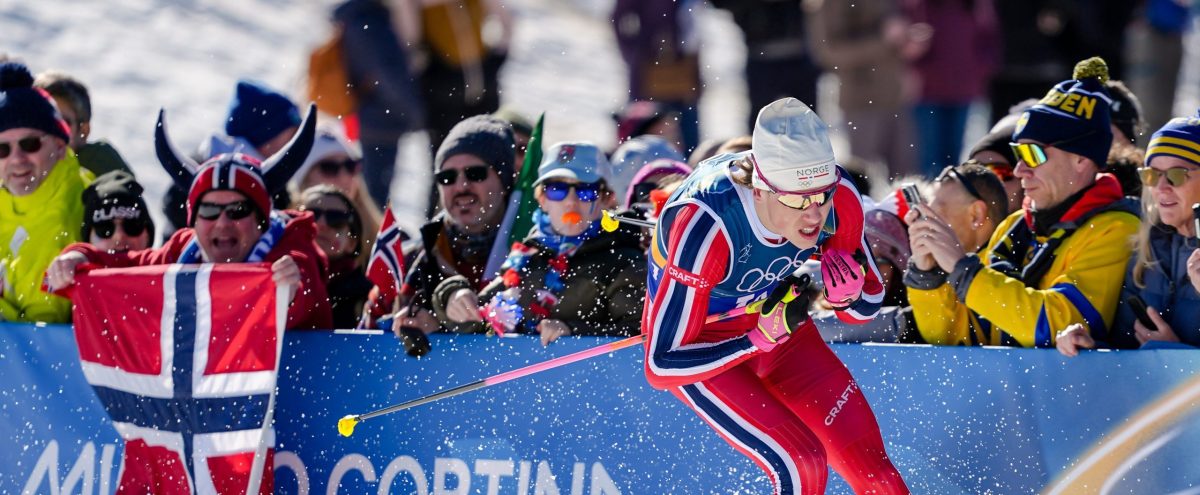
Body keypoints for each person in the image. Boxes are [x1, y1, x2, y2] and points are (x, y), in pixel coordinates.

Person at [643, 98, 908, 495]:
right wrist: (754, 341)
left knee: (876, 474)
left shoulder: (839, 196)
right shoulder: (707, 224)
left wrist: (846, 298)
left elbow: (866, 306)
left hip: (780, 332)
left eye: (821, 196)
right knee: (801, 463)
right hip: (706, 345)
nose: (814, 215)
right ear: (760, 191)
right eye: (798, 200)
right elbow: (660, 366)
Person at [905, 58, 1139, 348]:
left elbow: (1055, 325)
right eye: (1019, 154)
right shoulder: (1015, 226)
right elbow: (957, 340)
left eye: (1033, 155)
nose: (1019, 170)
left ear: (1081, 159)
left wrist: (963, 270)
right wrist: (927, 275)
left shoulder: (1117, 229)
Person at [49, 107, 332, 330]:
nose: (222, 223)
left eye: (237, 211)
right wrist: (79, 258)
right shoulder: (184, 251)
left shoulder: (291, 248)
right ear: (193, 221)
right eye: (209, 211)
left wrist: (289, 292)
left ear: (261, 220)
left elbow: (304, 293)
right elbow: (126, 268)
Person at [468, 142, 646, 345]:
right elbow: (473, 321)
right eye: (557, 189)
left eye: (585, 190)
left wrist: (573, 333)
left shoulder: (624, 261)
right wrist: (451, 294)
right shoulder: (527, 256)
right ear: (542, 199)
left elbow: (641, 337)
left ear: (606, 199)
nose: (570, 201)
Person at [1059, 113, 1200, 355]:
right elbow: (1125, 348)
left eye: (1176, 175)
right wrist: (1089, 347)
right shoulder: (1146, 248)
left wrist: (1174, 354)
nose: (1161, 187)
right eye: (1152, 175)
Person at [385, 115, 514, 336]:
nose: (461, 186)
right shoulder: (410, 259)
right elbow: (367, 330)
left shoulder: (535, 251)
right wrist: (406, 323)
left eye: (475, 174)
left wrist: (441, 326)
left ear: (504, 181)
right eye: (447, 177)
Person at [0, 62, 93, 323]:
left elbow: (46, 319)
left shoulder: (89, 203)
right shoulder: (5, 201)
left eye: (30, 144)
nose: (17, 159)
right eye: (2, 149)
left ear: (60, 146)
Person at [334, 0, 426, 208]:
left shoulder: (358, 17)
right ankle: (367, 228)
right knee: (374, 196)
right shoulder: (370, 23)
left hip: (371, 116)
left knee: (372, 190)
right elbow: (388, 76)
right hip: (381, 120)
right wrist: (414, 112)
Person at [289, 127, 381, 267]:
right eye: (329, 168)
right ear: (304, 178)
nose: (343, 177)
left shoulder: (385, 239)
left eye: (350, 166)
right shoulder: (280, 233)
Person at [33, 71, 133, 177]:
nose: (44, 133)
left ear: (83, 132)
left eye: (59, 125)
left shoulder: (101, 178)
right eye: (33, 121)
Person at [299, 185, 372, 329]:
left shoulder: (368, 298)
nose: (321, 224)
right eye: (310, 216)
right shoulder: (272, 279)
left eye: (336, 219)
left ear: (352, 243)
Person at [81, 170, 153, 254]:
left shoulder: (165, 261)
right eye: (105, 228)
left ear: (148, 235)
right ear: (89, 238)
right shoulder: (72, 260)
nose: (119, 237)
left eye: (132, 226)